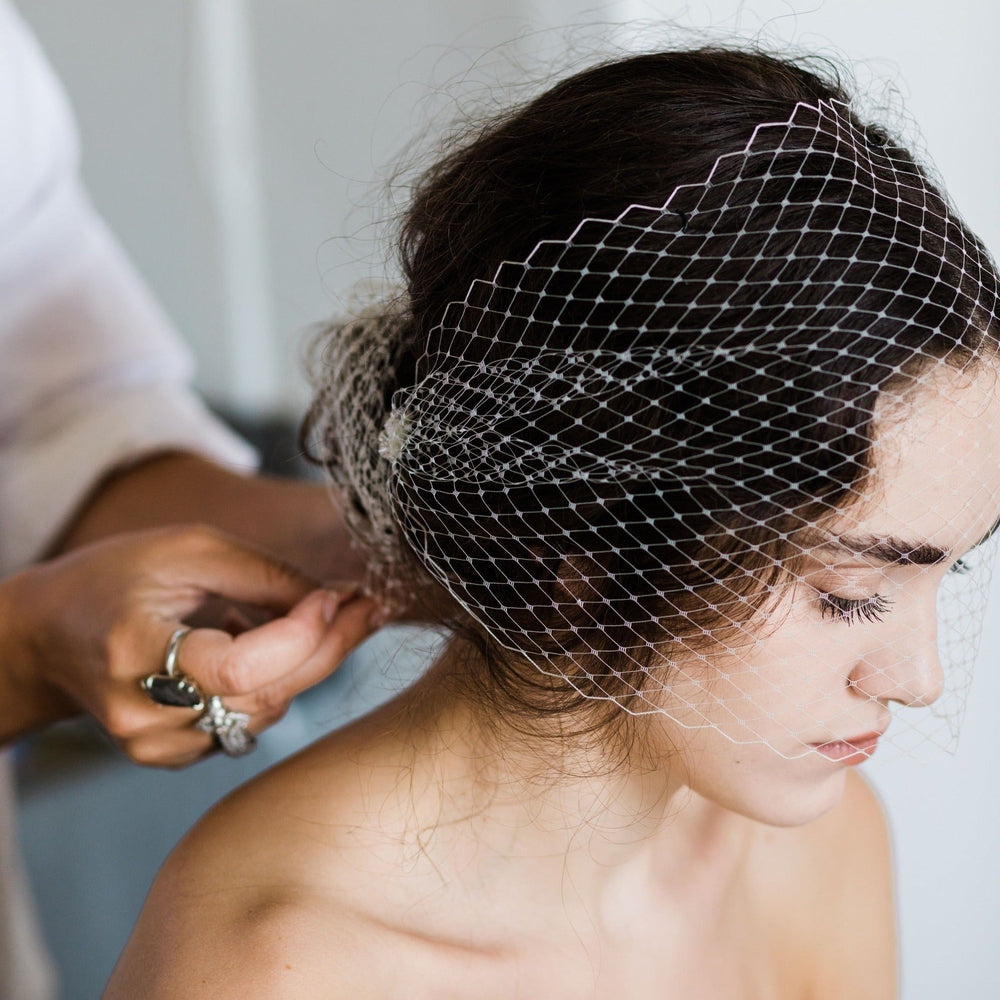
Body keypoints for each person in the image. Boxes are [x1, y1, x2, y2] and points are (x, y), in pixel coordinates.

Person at [105, 47, 1000, 998]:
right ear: (589, 536)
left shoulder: (823, 845)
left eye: (953, 572)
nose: (920, 681)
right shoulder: (285, 966)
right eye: (851, 594)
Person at [0, 3, 375, 997]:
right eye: (837, 603)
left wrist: (354, 545)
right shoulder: (262, 950)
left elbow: (58, 418)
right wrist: (19, 657)